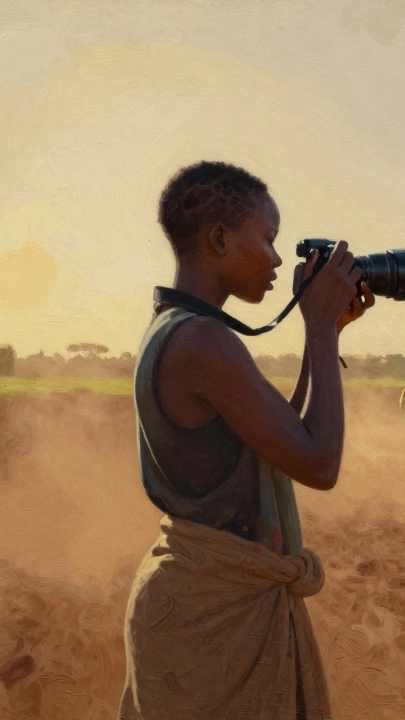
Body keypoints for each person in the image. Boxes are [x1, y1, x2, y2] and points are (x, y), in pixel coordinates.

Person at [121, 160, 373, 719]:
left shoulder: (180, 327)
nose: (280, 260)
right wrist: (317, 326)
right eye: (269, 239)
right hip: (215, 620)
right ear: (218, 239)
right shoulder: (203, 341)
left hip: (201, 603)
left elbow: (281, 440)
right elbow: (318, 463)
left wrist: (324, 333)